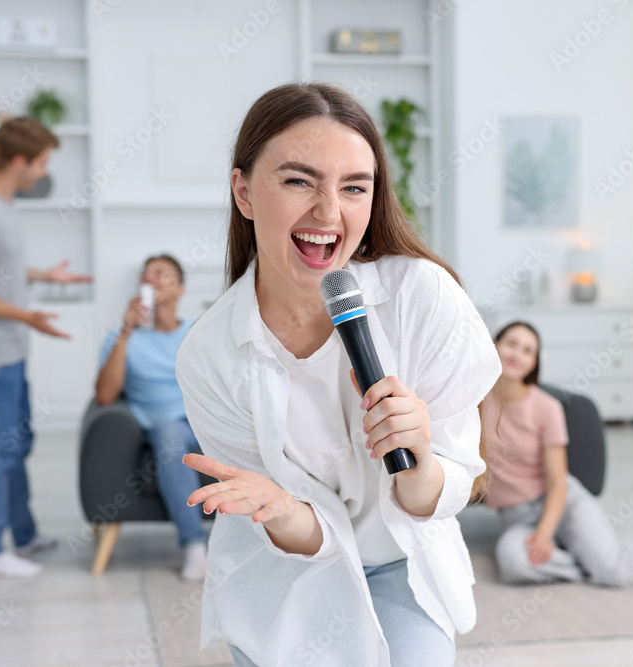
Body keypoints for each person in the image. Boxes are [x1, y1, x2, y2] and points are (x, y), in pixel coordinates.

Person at [172, 82, 501, 667]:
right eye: (299, 180)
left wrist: (420, 455)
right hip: (284, 569)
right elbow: (299, 533)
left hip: (405, 561)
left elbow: (452, 484)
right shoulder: (210, 353)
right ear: (243, 191)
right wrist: (282, 512)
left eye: (354, 187)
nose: (328, 213)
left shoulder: (421, 298)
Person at [0, 117, 93, 578]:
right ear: (19, 161)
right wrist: (28, 316)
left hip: (8, 349)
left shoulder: (2, 204)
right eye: (42, 163)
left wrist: (44, 275)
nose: (43, 172)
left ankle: (23, 534)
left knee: (16, 444)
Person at [482, 321, 633, 587]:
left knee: (614, 573)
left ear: (534, 363)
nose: (517, 354)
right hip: (515, 517)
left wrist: (545, 532)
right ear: (494, 345)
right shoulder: (474, 402)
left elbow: (558, 481)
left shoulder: (546, 407)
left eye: (528, 351)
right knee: (513, 563)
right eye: (511, 344)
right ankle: (591, 565)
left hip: (563, 504)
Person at [94, 254, 207, 580]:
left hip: (204, 423)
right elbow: (104, 395)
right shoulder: (122, 339)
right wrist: (126, 332)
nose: (152, 280)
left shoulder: (198, 333)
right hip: (164, 428)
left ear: (180, 290)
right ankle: (195, 546)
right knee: (169, 434)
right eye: (146, 276)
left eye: (161, 274)